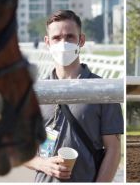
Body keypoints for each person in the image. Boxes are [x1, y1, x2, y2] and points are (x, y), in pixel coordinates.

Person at [26, 10, 123, 182]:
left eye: (70, 37)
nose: (63, 43)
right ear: (47, 42)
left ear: (81, 40)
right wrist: (43, 164)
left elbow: (113, 149)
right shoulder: (34, 92)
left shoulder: (104, 90)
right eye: (56, 38)